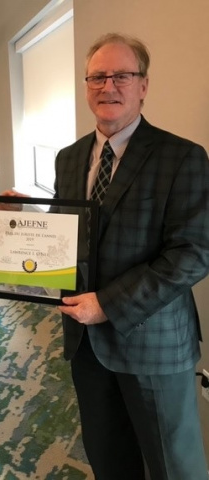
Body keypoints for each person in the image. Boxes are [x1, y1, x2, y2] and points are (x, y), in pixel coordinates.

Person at [53, 33, 209, 480]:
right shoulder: (69, 159)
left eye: (122, 75)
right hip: (85, 343)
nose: (108, 86)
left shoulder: (182, 157)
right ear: (86, 87)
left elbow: (194, 252)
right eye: (97, 77)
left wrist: (109, 304)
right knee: (108, 458)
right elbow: (68, 236)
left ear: (143, 85)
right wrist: (15, 223)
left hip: (154, 342)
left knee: (174, 465)